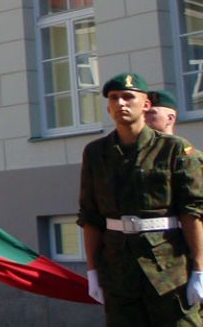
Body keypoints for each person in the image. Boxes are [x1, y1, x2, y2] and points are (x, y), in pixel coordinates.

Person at [79, 72, 203, 324]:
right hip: (118, 269)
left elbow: (192, 212)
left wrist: (200, 269)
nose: (120, 103)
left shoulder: (174, 149)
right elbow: (90, 216)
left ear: (145, 105)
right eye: (114, 98)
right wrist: (92, 270)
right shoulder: (95, 153)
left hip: (169, 269)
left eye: (128, 97)